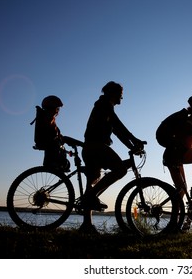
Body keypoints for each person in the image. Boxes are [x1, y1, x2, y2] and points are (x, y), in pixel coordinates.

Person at [80, 81, 144, 229]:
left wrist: (131, 146)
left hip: (90, 147)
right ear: (112, 93)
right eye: (120, 95)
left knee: (92, 181)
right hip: (97, 146)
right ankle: (91, 197)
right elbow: (118, 124)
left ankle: (87, 224)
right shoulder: (105, 105)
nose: (122, 98)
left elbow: (117, 131)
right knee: (120, 169)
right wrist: (135, 140)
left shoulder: (102, 106)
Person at [35, 95, 69, 171]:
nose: (57, 110)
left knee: (62, 147)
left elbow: (54, 131)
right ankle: (54, 164)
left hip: (51, 141)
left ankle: (60, 165)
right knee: (57, 147)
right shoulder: (47, 117)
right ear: (51, 107)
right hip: (49, 142)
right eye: (57, 108)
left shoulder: (48, 117)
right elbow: (50, 132)